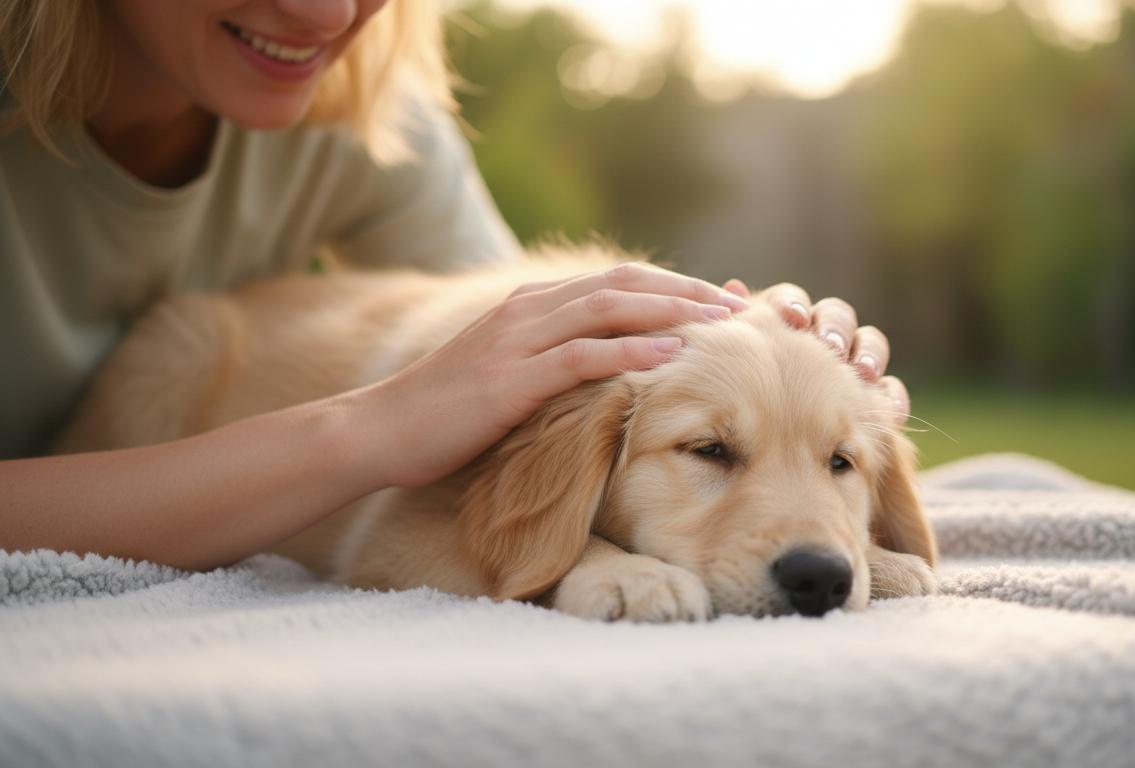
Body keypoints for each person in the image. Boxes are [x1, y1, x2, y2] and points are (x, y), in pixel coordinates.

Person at [0, 0, 908, 571]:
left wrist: (773, 361)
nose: (325, 12)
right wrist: (368, 428)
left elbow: (531, 363)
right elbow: (409, 416)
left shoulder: (360, 105)